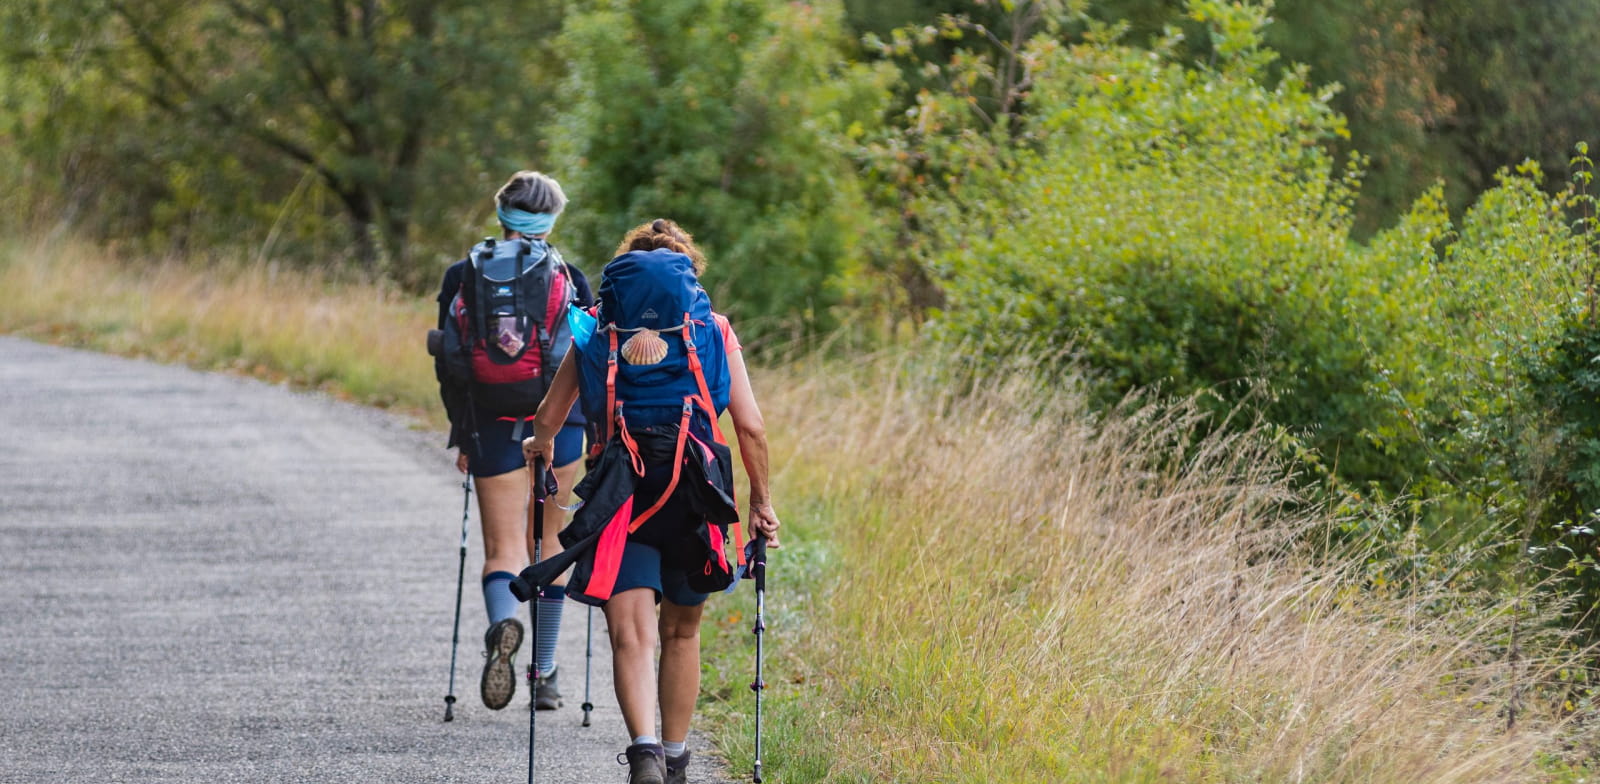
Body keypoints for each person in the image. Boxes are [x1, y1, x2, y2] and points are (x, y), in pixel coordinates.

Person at [520, 219, 781, 784]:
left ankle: (643, 753)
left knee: (630, 632)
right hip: (695, 495)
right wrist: (760, 502)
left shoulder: (594, 327)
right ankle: (678, 755)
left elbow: (548, 418)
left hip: (621, 494)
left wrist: (538, 446)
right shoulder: (713, 328)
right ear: (689, 273)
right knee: (681, 633)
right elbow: (752, 428)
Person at [433, 170, 591, 711]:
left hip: (491, 424)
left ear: (501, 216)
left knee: (502, 548)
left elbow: (450, 363)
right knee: (550, 545)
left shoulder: (464, 273)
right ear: (551, 220)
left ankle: (503, 623)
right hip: (559, 427)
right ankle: (543, 674)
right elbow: (589, 362)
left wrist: (463, 434)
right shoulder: (568, 276)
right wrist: (593, 433)